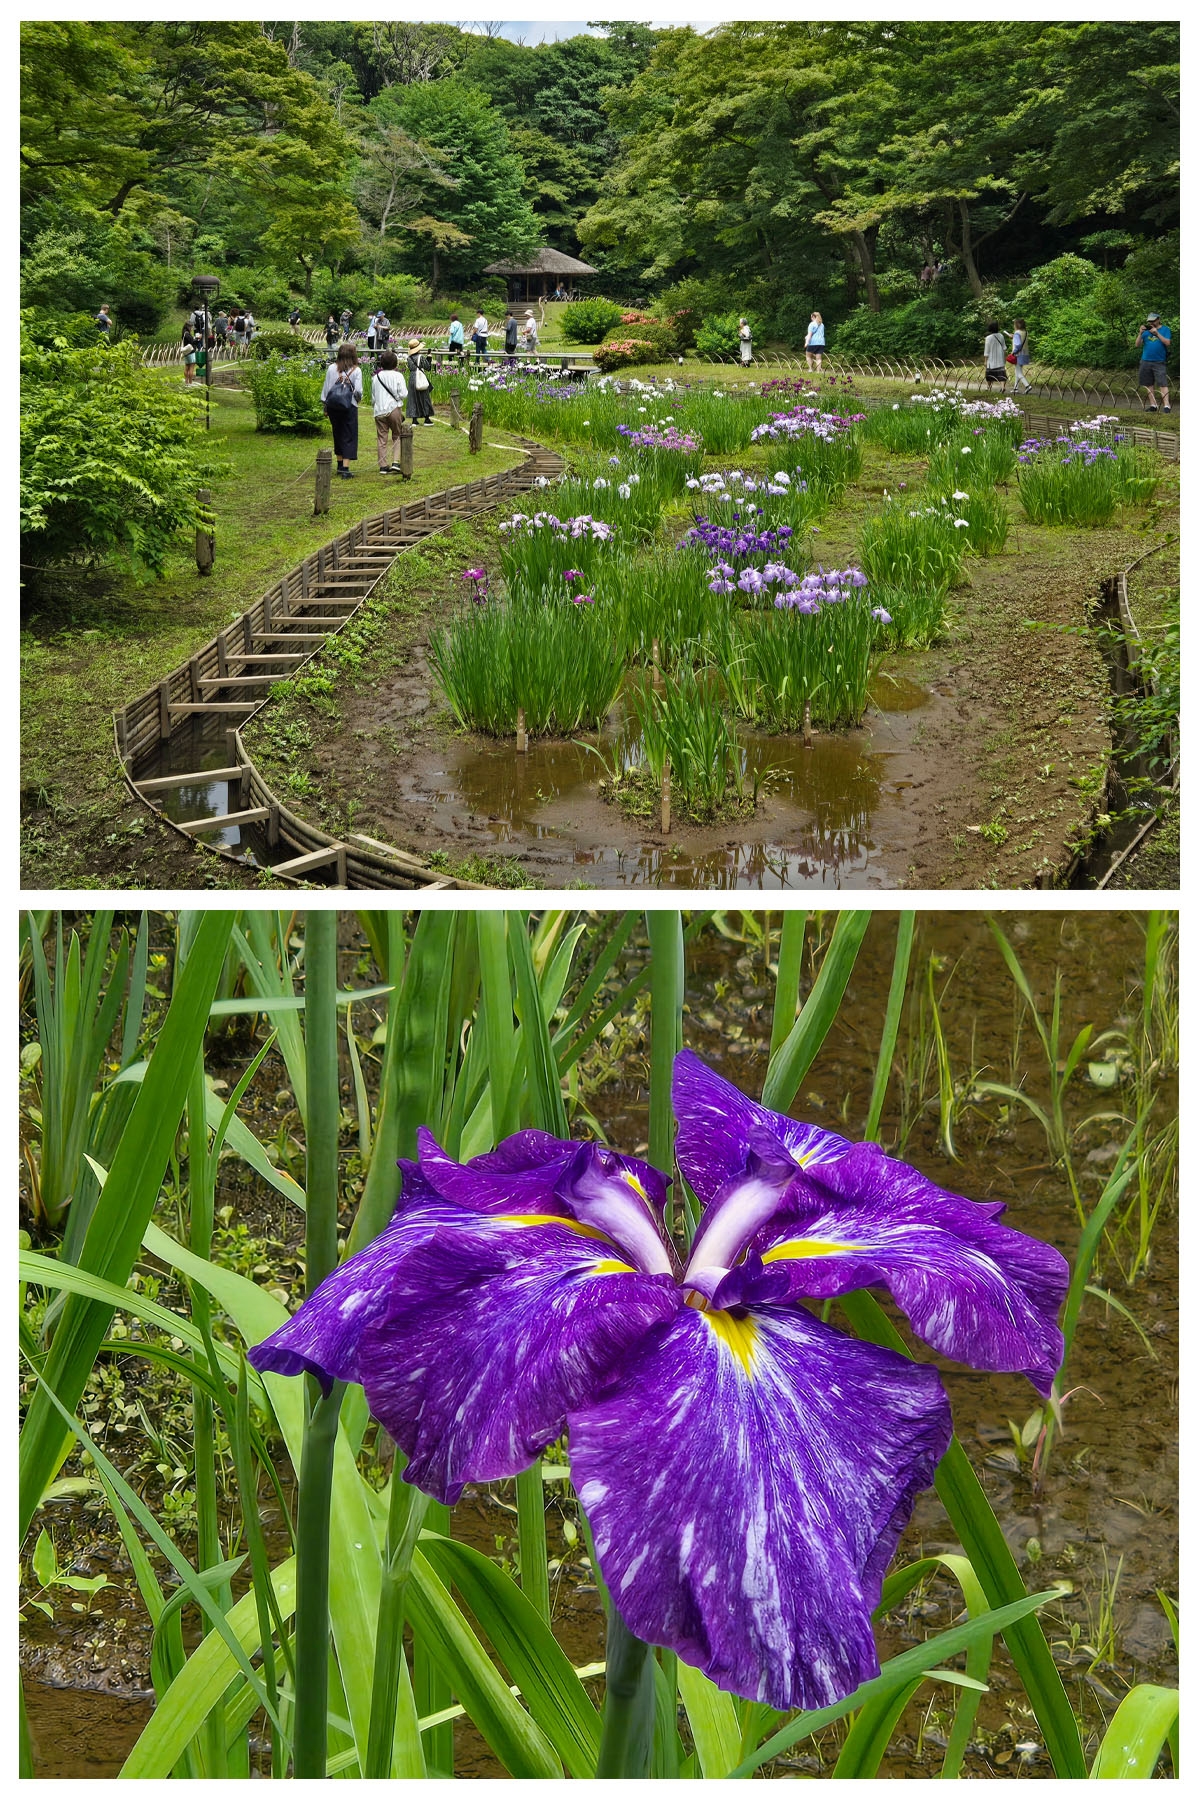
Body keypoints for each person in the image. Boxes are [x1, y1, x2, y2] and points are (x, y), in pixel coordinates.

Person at [321, 343, 362, 477]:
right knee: (348, 435)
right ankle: (345, 468)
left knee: (337, 433)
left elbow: (326, 390)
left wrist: (325, 407)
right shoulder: (356, 370)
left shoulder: (332, 368)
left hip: (333, 406)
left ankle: (339, 464)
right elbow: (359, 391)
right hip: (349, 405)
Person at [371, 349, 409, 472]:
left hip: (379, 410)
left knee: (382, 438)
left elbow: (373, 397)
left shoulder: (376, 377)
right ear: (395, 363)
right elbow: (403, 394)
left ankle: (383, 465)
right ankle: (396, 462)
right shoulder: (398, 376)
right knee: (397, 435)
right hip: (393, 408)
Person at [1133, 313, 1172, 412]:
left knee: (1162, 383)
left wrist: (1157, 333)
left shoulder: (1165, 329)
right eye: (1150, 321)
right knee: (1148, 383)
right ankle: (1153, 405)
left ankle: (1167, 406)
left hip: (1159, 361)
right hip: (1145, 360)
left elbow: (1167, 343)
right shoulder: (1145, 332)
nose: (1151, 323)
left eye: (1153, 321)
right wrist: (1140, 333)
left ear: (1158, 319)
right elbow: (1137, 345)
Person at [405, 336, 435, 425]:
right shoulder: (420, 357)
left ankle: (414, 420)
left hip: (412, 377)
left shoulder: (409, 358)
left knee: (413, 398)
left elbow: (411, 367)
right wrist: (429, 357)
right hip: (420, 377)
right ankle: (427, 418)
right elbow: (428, 367)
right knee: (424, 397)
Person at [1010, 317, 1032, 394]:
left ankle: (1027, 386)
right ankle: (1015, 388)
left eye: (1014, 324)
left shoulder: (1017, 333)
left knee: (1019, 372)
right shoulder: (1025, 332)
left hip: (1018, 354)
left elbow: (1018, 345)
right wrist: (1014, 337)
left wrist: (1013, 352)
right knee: (1017, 371)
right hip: (1025, 354)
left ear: (1017, 325)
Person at [983, 321, 1008, 386]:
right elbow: (1004, 348)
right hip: (1000, 358)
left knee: (989, 373)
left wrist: (985, 361)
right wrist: (1004, 357)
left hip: (991, 359)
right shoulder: (1001, 336)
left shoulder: (988, 338)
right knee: (1002, 373)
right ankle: (1002, 387)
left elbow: (986, 351)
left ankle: (988, 387)